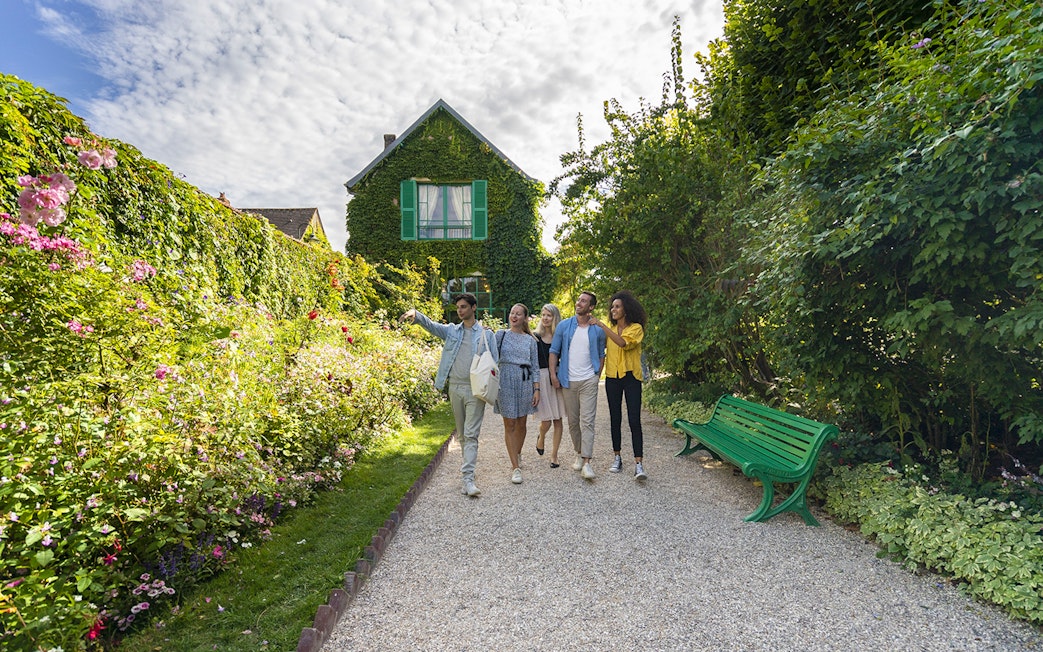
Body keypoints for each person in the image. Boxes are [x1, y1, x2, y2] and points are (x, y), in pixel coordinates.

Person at [400, 293, 496, 498]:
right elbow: (433, 326)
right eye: (458, 307)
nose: (460, 311)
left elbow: (495, 363)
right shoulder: (452, 331)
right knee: (462, 434)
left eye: (463, 307)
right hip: (455, 388)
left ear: (473, 307)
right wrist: (417, 315)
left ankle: (468, 479)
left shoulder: (486, 335)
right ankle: (467, 475)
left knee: (471, 435)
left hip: (475, 390)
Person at [590, 290, 648, 480]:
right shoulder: (609, 330)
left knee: (634, 419)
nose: (613, 310)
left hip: (631, 377)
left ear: (626, 309)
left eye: (617, 306)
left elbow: (623, 343)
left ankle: (638, 463)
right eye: (612, 307)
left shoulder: (636, 328)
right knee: (615, 418)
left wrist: (601, 325)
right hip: (613, 377)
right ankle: (617, 457)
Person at [549, 291, 607, 481]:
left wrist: (596, 375)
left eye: (584, 301)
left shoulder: (597, 330)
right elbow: (554, 351)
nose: (579, 303)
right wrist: (553, 375)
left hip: (588, 380)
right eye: (579, 300)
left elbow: (601, 354)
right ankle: (578, 453)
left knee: (587, 421)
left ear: (591, 307)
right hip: (568, 380)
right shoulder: (564, 326)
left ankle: (588, 462)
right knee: (573, 422)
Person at [494, 303, 540, 484]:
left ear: (524, 318)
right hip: (505, 380)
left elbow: (535, 367)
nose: (514, 316)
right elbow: (489, 354)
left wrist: (537, 389)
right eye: (512, 313)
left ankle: (517, 453)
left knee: (522, 422)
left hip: (525, 381)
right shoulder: (501, 335)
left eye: (518, 314)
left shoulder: (531, 340)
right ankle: (515, 467)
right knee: (510, 423)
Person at [533, 303, 567, 468]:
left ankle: (554, 455)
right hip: (542, 377)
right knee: (546, 421)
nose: (545, 318)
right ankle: (541, 436)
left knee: (558, 420)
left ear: (555, 318)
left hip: (557, 377)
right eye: (543, 315)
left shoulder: (560, 337)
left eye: (549, 315)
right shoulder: (535, 336)